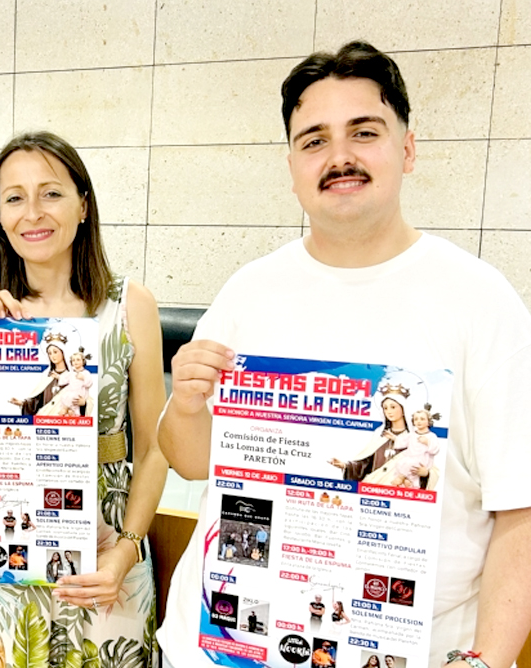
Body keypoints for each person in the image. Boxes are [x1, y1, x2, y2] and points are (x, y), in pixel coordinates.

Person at [156, 41, 531, 668]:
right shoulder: (250, 289)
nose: (340, 157)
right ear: (293, 164)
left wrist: (487, 658)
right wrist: (189, 406)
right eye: (314, 140)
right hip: (227, 641)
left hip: (401, 647)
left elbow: (519, 508)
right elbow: (192, 464)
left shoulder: (480, 300)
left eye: (364, 132)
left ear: (407, 149)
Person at [0, 131, 168, 666]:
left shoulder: (130, 305)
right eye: (14, 197)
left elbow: (155, 448)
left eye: (51, 193)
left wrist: (126, 549)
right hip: (3, 550)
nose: (33, 212)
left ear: (83, 205)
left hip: (104, 556)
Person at [388, 407, 441, 488]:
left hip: (422, 460)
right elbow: (402, 441)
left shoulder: (431, 436)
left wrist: (427, 442)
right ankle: (408, 481)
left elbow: (435, 449)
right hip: (410, 457)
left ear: (428, 422)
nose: (419, 421)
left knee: (412, 465)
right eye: (416, 419)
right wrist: (394, 438)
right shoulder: (412, 434)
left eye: (422, 419)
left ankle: (401, 477)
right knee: (400, 462)